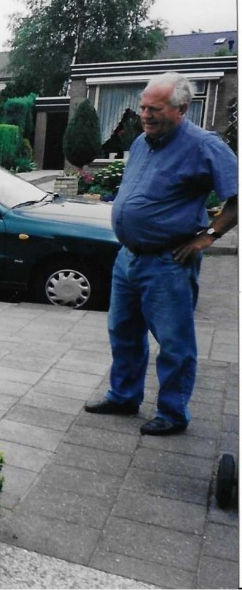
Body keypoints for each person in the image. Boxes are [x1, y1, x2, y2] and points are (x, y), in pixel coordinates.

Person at [84, 71, 238, 436]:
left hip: (168, 262)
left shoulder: (205, 145)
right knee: (123, 332)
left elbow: (237, 197)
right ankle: (123, 396)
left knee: (173, 342)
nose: (146, 115)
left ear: (181, 108)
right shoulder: (141, 142)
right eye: (142, 107)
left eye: (155, 109)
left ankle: (172, 412)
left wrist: (208, 237)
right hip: (129, 257)